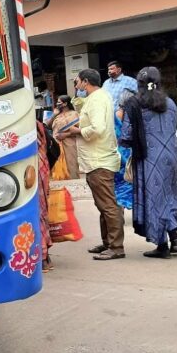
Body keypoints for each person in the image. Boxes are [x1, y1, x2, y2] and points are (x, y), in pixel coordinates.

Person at [119, 66, 177, 258]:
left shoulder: (134, 103)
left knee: (153, 199)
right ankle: (175, 236)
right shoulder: (170, 103)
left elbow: (127, 135)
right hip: (170, 157)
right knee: (167, 196)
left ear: (139, 84)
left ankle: (162, 246)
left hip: (148, 158)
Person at [74, 68, 124, 260]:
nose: (76, 86)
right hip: (98, 159)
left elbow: (97, 129)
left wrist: (76, 131)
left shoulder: (97, 98)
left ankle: (116, 247)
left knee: (109, 205)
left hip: (99, 160)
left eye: (77, 82)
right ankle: (108, 243)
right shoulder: (98, 97)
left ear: (85, 82)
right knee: (104, 204)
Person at [47, 95, 80, 179]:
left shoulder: (74, 114)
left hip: (69, 145)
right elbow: (48, 125)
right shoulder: (57, 114)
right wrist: (54, 115)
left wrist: (65, 134)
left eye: (59, 102)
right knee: (57, 169)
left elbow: (79, 130)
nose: (57, 104)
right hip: (56, 145)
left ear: (65, 103)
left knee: (71, 167)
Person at [36, 120, 53, 272]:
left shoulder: (28, 125)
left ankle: (42, 258)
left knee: (36, 213)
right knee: (42, 211)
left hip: (33, 170)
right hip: (42, 167)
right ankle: (45, 257)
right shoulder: (38, 124)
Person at [113, 90, 134, 212]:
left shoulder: (116, 115)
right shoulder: (128, 116)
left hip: (120, 155)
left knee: (121, 185)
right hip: (123, 155)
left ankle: (119, 211)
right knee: (127, 183)